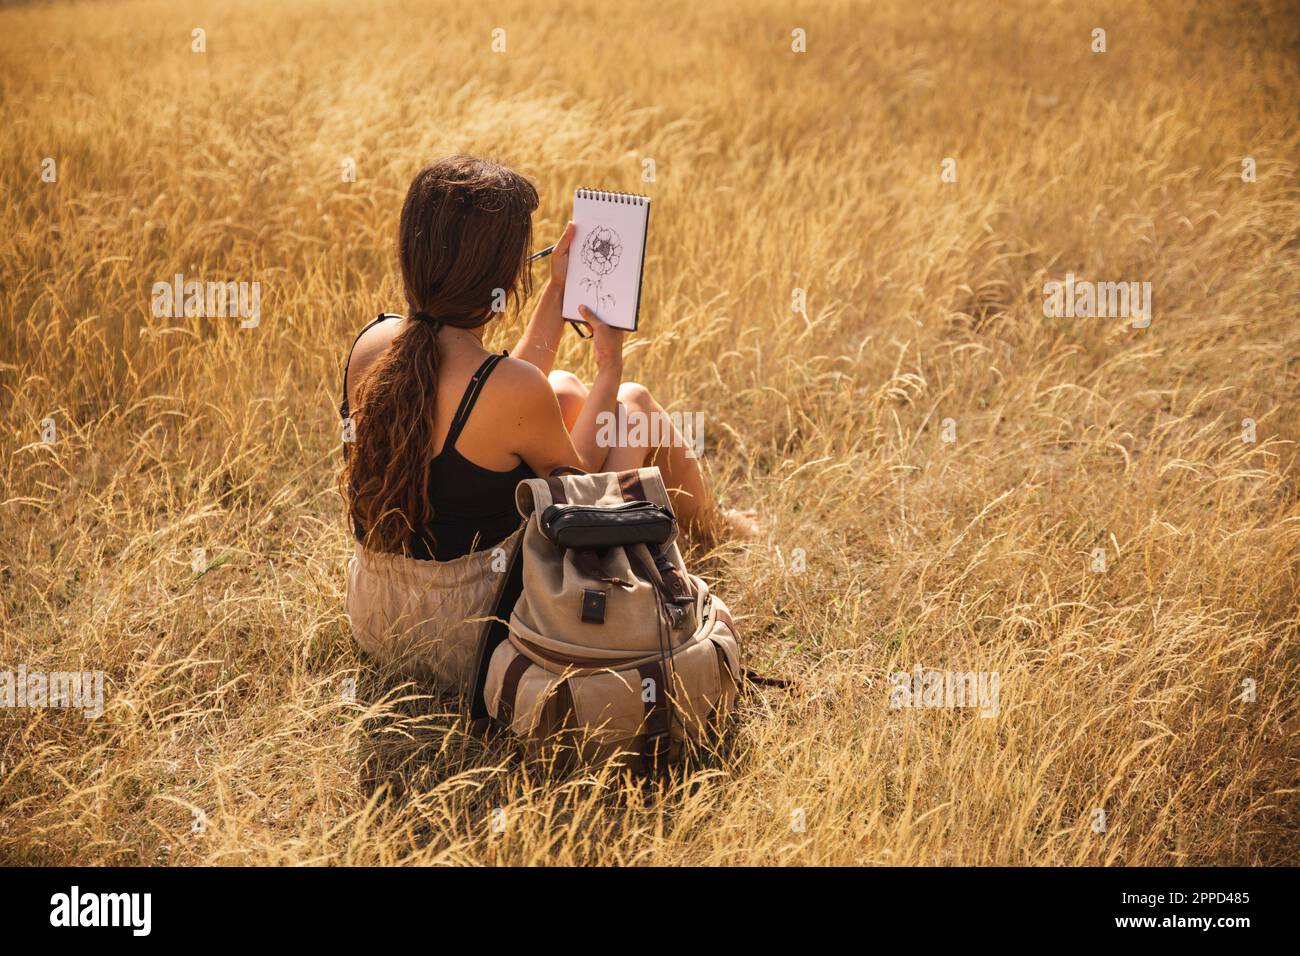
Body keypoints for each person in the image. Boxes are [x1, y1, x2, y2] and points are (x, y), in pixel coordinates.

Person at [339, 155, 755, 686]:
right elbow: (578, 492)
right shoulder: (509, 389)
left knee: (560, 390)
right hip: (471, 638)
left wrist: (558, 289)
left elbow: (498, 396)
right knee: (633, 409)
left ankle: (715, 522)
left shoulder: (374, 345)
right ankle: (714, 527)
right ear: (506, 276)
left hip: (381, 616)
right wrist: (610, 367)